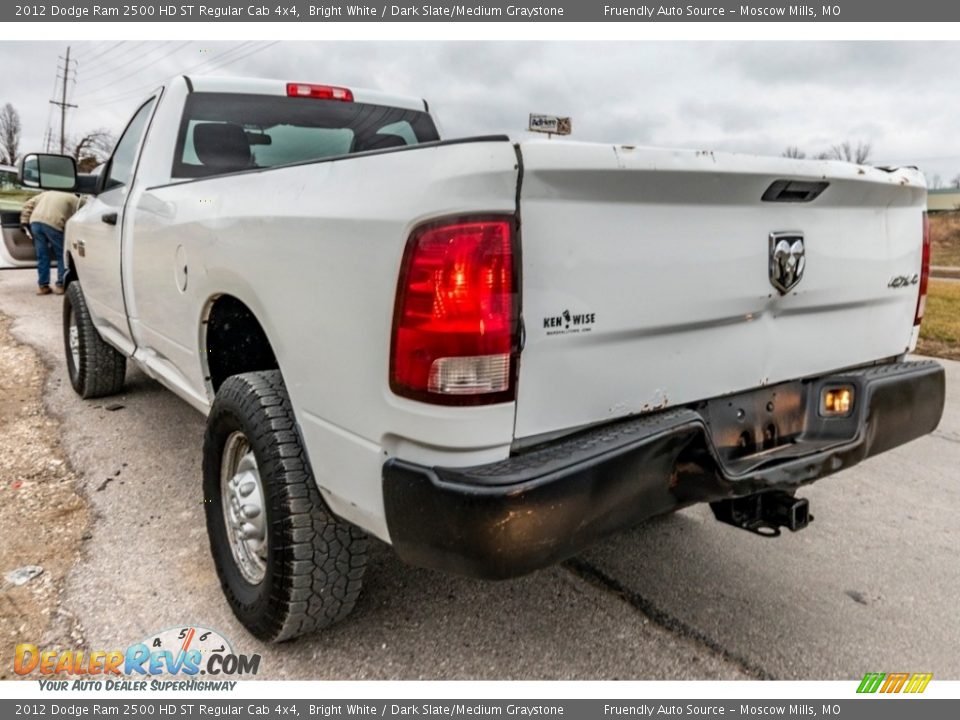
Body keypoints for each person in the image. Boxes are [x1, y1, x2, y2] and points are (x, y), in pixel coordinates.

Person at [19, 190, 81, 296]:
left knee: (42, 256)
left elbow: (28, 204)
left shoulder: (46, 193)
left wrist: (24, 221)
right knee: (62, 255)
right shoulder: (75, 199)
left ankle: (43, 287)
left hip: (35, 223)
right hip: (54, 223)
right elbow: (85, 211)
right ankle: (61, 285)